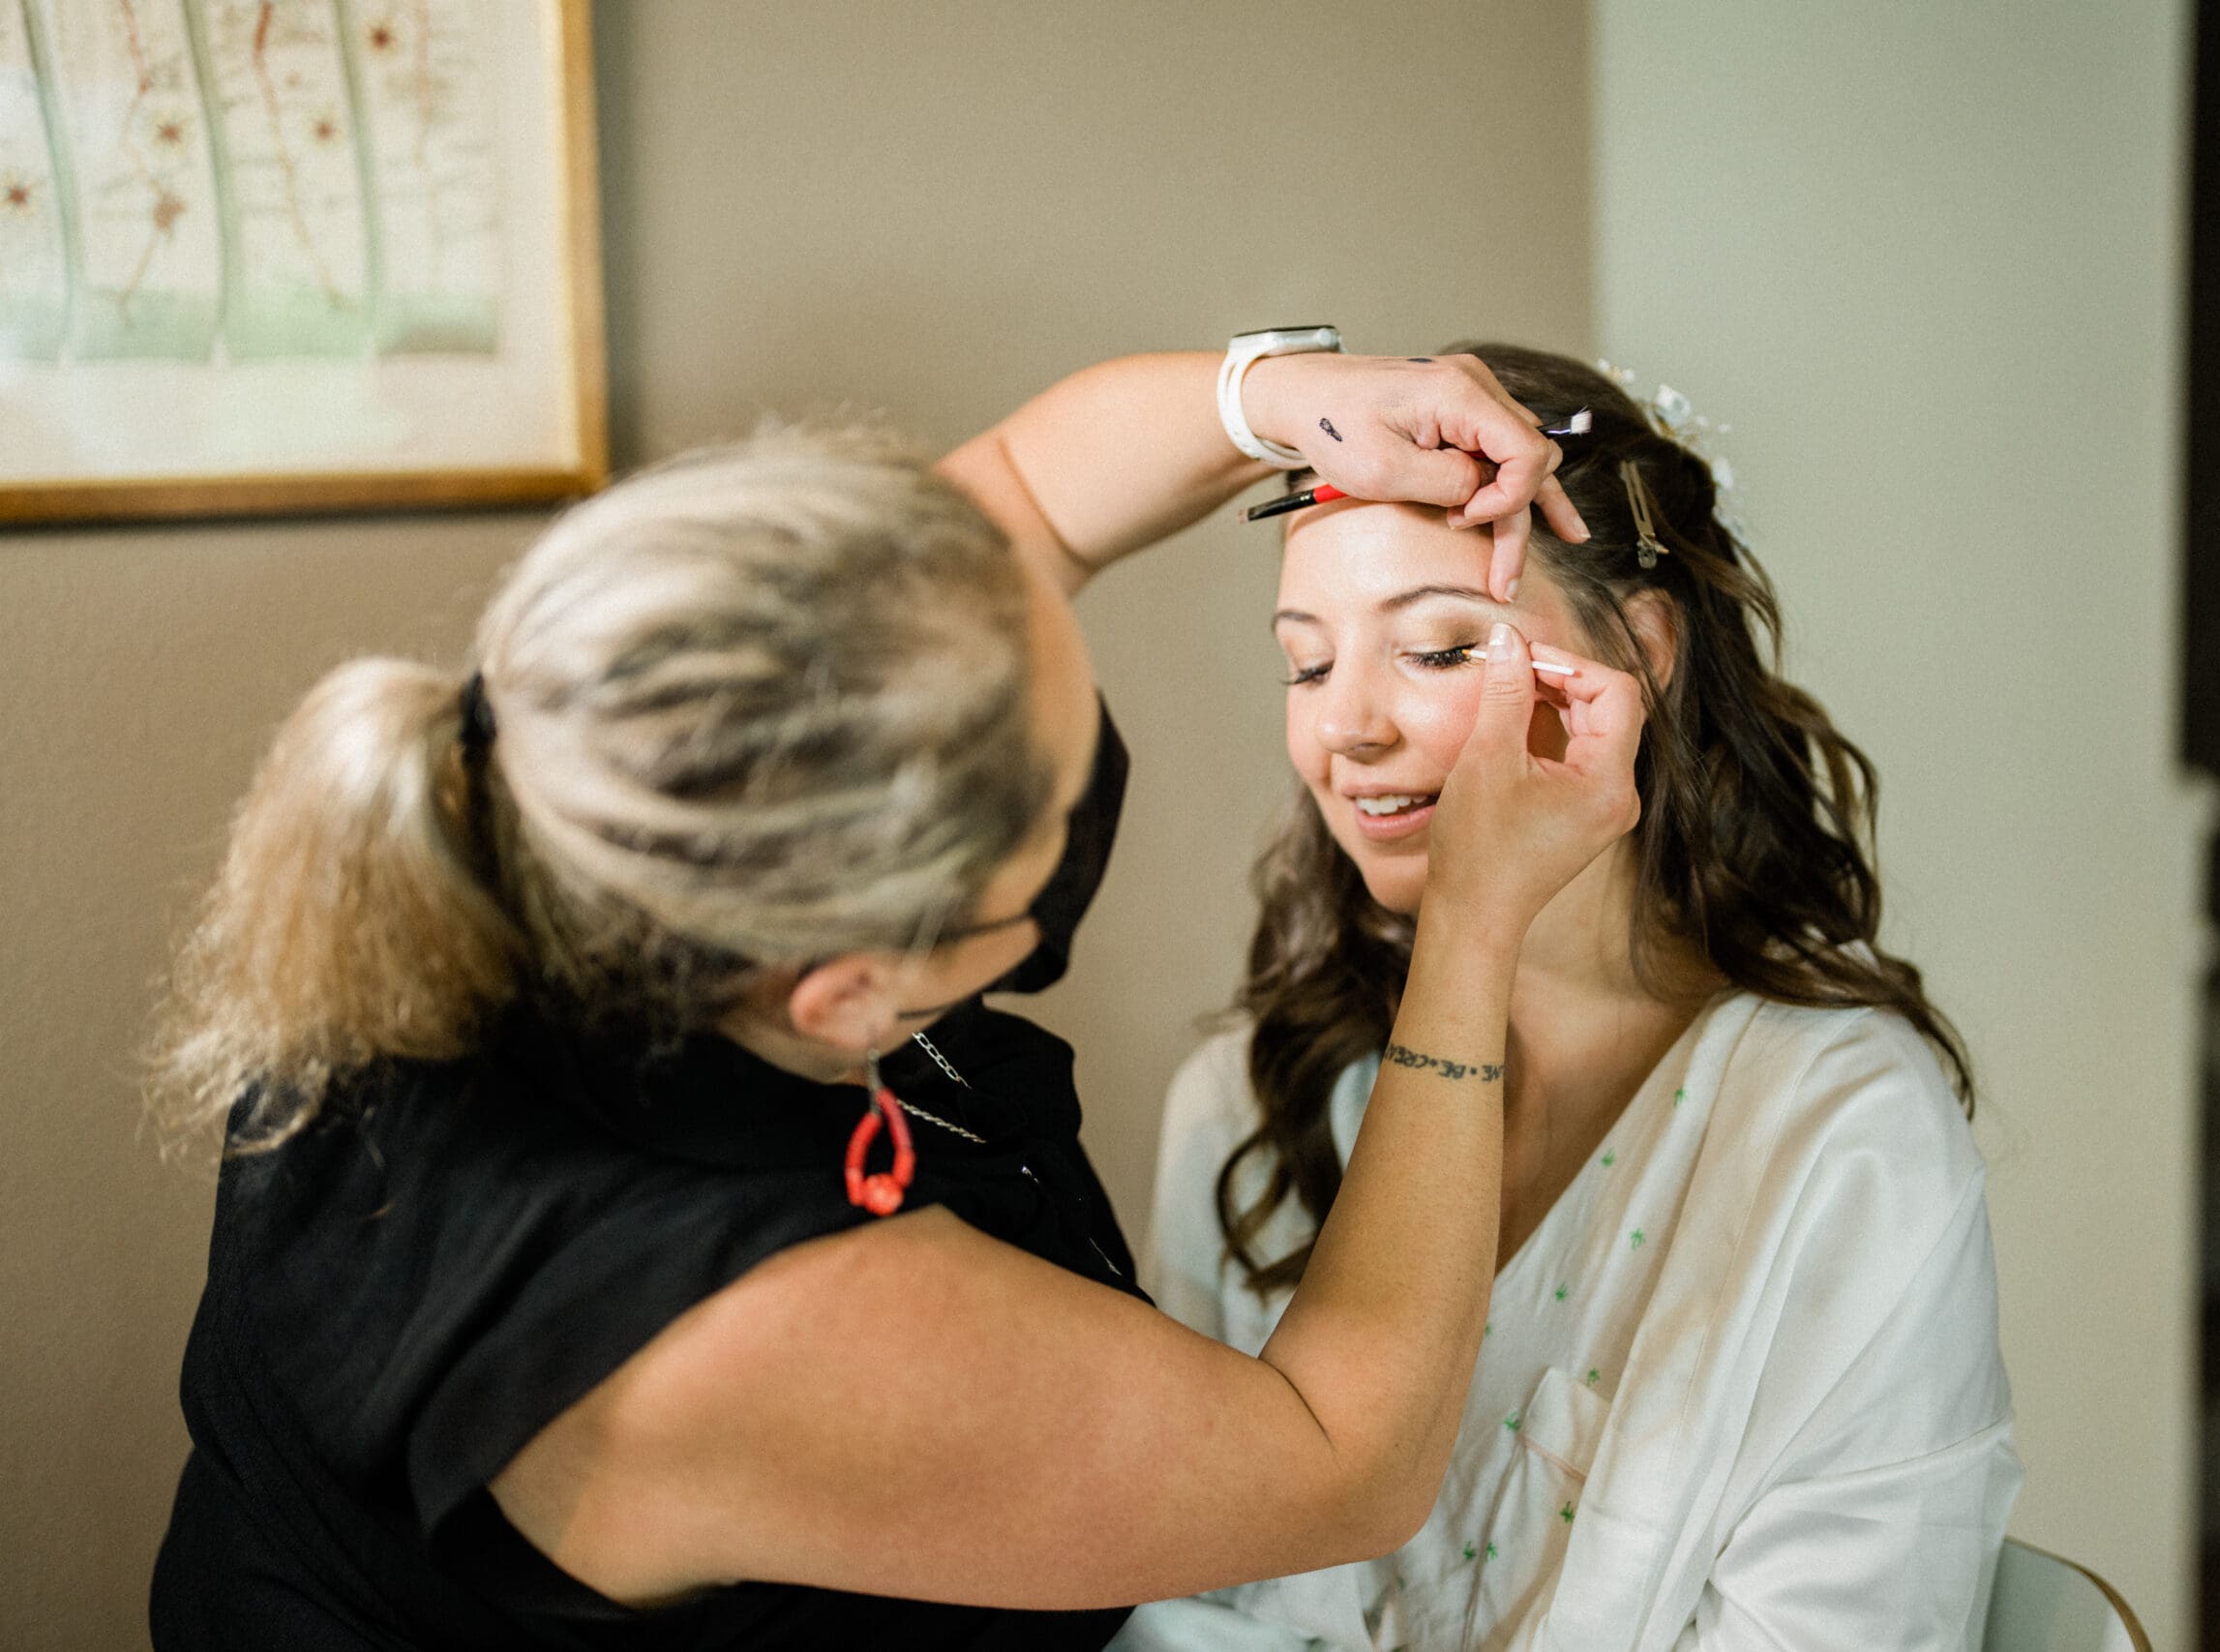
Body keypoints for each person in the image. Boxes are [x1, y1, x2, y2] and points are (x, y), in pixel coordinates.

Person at [143, 345, 1650, 1649]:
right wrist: (1472, 925)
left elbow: (1031, 497)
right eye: (1058, 823)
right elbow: (1342, 1460)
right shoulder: (728, 1324)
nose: (1342, 733)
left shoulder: (607, 791)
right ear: (856, 994)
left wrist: (1276, 394)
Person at [1122, 345, 2021, 1652]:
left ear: (1642, 652)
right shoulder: (1257, 1101)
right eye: (1307, 666)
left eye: (1437, 648)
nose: (1347, 728)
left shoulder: (1839, 1134)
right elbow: (1176, 1592)